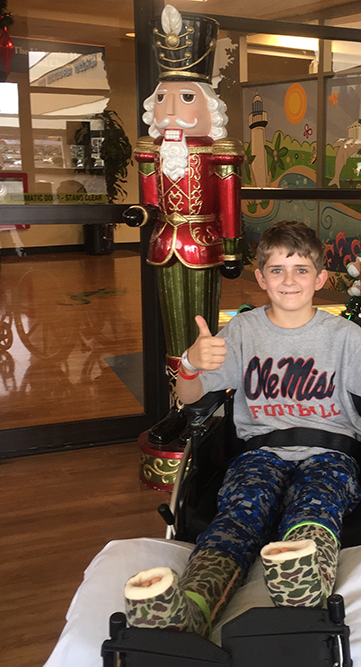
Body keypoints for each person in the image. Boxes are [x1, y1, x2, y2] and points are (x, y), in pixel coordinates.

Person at [124, 221, 361, 635]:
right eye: (277, 270)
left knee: (316, 505)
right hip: (259, 454)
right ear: (261, 278)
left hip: (330, 455)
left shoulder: (345, 338)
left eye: (301, 269)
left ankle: (304, 588)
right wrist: (192, 364)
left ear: (320, 278)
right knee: (240, 512)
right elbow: (192, 398)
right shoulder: (243, 332)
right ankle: (192, 605)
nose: (290, 280)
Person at [124, 4, 243, 447]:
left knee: (202, 329)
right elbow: (151, 200)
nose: (170, 108)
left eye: (186, 97)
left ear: (209, 105)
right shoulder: (150, 151)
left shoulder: (219, 150)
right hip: (164, 243)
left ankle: (203, 406)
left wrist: (233, 248)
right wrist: (143, 214)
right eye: (163, 98)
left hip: (206, 242)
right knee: (172, 328)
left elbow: (229, 203)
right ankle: (180, 408)